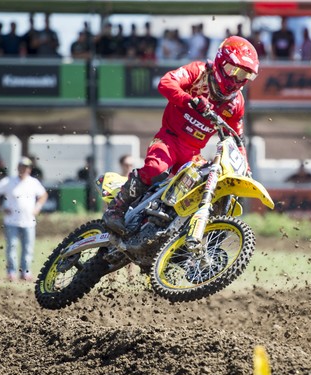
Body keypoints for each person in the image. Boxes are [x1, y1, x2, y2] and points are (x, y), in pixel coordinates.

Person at [103, 36, 260, 236]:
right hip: (169, 139)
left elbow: (236, 139)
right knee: (155, 169)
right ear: (221, 62)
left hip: (193, 154)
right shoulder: (199, 72)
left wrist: (245, 167)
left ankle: (179, 238)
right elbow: (165, 83)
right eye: (234, 70)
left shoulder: (236, 103)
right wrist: (189, 100)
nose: (237, 79)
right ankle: (116, 209)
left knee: (204, 189)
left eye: (245, 74)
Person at [0, 156, 48, 282]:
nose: (24, 169)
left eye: (26, 167)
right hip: (12, 221)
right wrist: (0, 207)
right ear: (18, 168)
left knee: (28, 248)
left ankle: (25, 272)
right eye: (22, 167)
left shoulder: (33, 182)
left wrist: (37, 207)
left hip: (28, 221)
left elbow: (43, 195)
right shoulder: (9, 181)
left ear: (29, 169)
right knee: (12, 247)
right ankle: (11, 272)